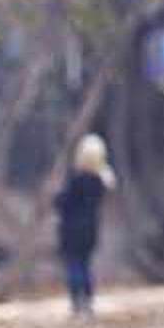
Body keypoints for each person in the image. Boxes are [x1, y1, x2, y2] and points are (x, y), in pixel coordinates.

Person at [55, 134, 116, 316]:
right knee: (85, 265)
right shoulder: (101, 182)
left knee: (74, 265)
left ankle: (76, 301)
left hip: (72, 229)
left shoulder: (77, 180)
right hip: (90, 229)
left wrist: (55, 198)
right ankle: (87, 300)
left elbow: (64, 202)